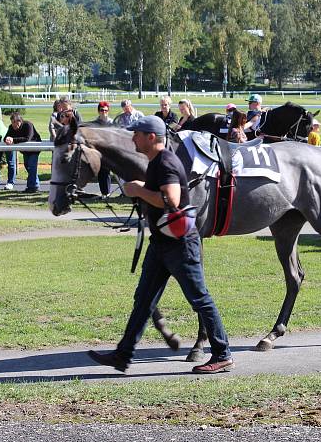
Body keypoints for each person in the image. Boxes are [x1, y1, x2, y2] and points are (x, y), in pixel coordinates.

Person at [87, 115, 233, 375]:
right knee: (143, 299)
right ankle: (123, 355)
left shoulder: (165, 162)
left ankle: (222, 354)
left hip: (179, 245)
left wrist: (139, 190)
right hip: (162, 243)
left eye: (137, 134)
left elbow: (172, 200)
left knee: (200, 299)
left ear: (151, 137)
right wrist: (142, 189)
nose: (133, 138)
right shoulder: (156, 161)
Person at [4, 112, 42, 193]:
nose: (13, 124)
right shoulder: (11, 127)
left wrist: (13, 140)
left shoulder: (28, 125)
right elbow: (6, 137)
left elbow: (27, 138)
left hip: (34, 149)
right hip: (25, 150)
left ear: (20, 121)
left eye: (15, 122)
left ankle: (31, 187)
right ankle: (36, 185)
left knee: (32, 167)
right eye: (12, 122)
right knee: (28, 166)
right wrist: (7, 139)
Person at [92, 101, 114, 197]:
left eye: (105, 110)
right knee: (102, 172)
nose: (104, 112)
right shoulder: (95, 123)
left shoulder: (112, 123)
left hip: (110, 150)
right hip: (99, 150)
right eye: (102, 110)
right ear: (98, 111)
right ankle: (104, 193)